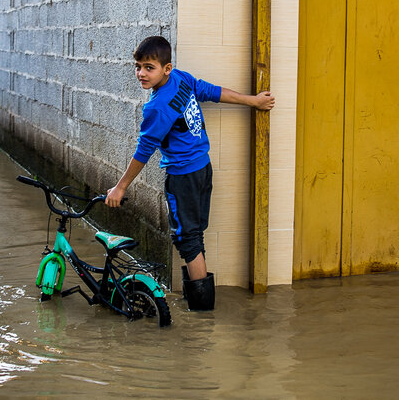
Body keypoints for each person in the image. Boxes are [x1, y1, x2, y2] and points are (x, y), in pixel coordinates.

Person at [106, 36, 275, 311]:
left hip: (183, 176)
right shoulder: (181, 79)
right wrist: (252, 101)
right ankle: (197, 304)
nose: (141, 74)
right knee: (194, 234)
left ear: (167, 68)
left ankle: (201, 312)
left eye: (149, 67)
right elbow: (211, 91)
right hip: (202, 168)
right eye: (137, 66)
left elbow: (144, 150)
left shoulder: (157, 106)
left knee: (187, 238)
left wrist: (121, 187)